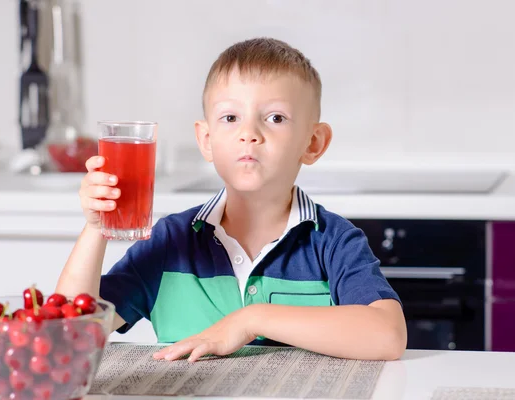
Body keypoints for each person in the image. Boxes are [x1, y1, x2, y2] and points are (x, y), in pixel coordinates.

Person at [56, 37, 407, 363]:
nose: (249, 134)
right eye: (230, 117)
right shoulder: (171, 242)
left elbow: (388, 335)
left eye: (275, 118)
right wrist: (94, 227)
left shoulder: (332, 240)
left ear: (313, 143)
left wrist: (252, 320)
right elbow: (71, 334)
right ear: (206, 140)